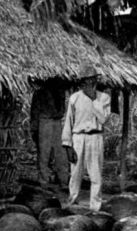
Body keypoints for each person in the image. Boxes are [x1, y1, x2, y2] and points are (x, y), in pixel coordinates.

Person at [61, 64, 111, 211]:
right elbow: (68, 122)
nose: (87, 84)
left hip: (95, 137)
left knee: (95, 174)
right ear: (81, 82)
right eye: (84, 81)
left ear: (95, 81)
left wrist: (93, 99)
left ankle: (95, 206)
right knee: (75, 172)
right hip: (78, 137)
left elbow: (103, 120)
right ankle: (72, 201)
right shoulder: (74, 98)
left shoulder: (104, 98)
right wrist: (67, 144)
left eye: (90, 80)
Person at [30, 80, 69, 188]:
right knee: (45, 153)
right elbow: (35, 112)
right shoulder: (41, 93)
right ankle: (45, 181)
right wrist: (34, 128)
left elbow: (62, 109)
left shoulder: (60, 91)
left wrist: (34, 128)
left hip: (54, 121)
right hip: (45, 120)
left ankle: (62, 180)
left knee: (60, 153)